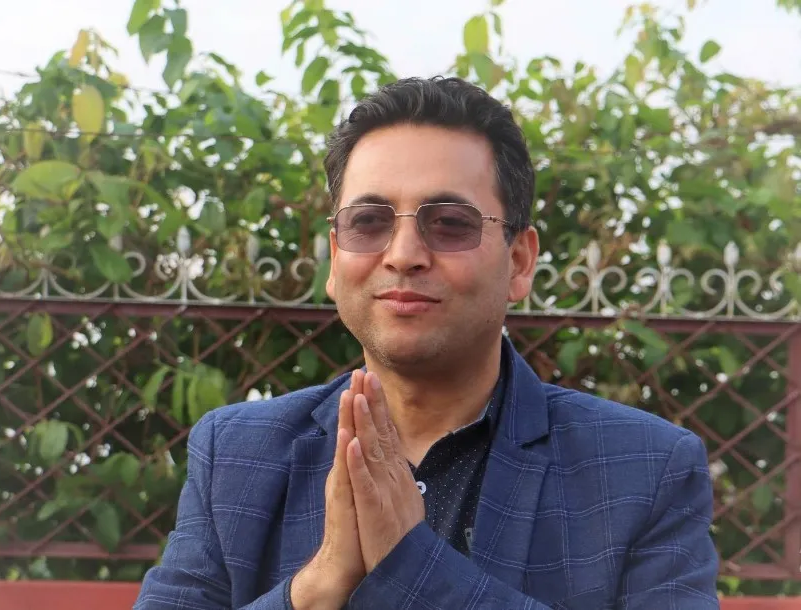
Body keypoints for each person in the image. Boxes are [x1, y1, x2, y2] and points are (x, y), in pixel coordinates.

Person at [134, 76, 720, 609]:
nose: (404, 254)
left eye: (450, 224)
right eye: (369, 221)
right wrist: (314, 590)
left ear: (519, 262)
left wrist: (411, 565)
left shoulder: (643, 468)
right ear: (335, 259)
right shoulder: (238, 454)